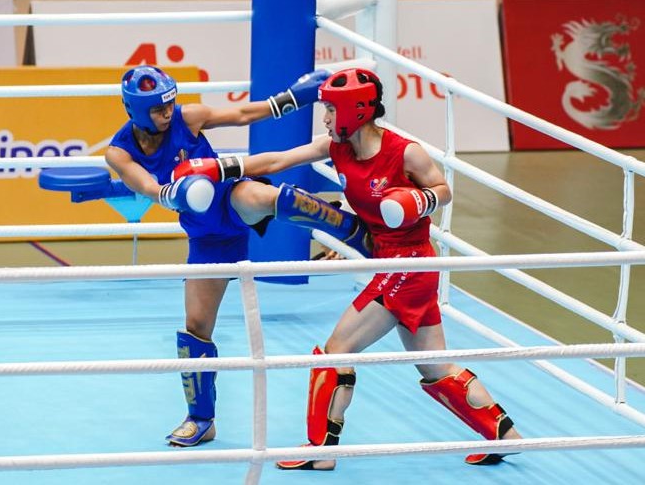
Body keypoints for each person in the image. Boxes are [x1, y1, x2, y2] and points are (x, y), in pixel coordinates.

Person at [174, 67, 522, 468]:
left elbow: (443, 189)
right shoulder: (337, 146)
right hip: (398, 264)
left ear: (354, 111)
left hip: (408, 264)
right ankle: (505, 434)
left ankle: (322, 450)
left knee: (335, 350)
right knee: (434, 365)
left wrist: (417, 201)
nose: (324, 118)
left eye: (329, 111)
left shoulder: (404, 151)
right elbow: (279, 159)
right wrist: (220, 168)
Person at [105, 65, 373, 447]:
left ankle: (352, 230)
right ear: (134, 109)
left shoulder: (189, 117)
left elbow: (245, 113)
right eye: (158, 110)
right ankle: (201, 419)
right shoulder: (119, 152)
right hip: (205, 236)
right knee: (195, 327)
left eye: (169, 105)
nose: (168, 113)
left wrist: (295, 98)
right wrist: (175, 193)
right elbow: (146, 186)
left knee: (262, 196)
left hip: (231, 199)